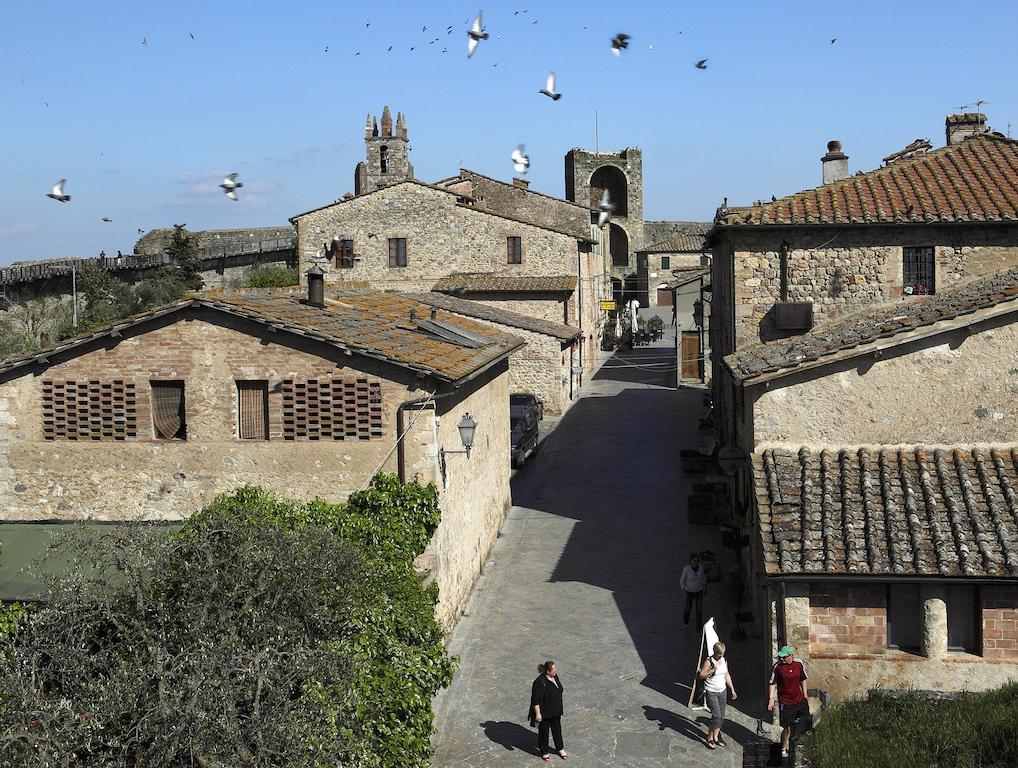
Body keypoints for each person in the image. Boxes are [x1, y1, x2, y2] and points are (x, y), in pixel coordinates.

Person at [768, 645, 809, 759]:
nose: (782, 659)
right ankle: (783, 747)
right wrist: (771, 699)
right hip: (786, 702)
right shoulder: (777, 667)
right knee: (786, 727)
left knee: (803, 722)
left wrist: (805, 696)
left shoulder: (798, 664)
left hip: (799, 700)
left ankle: (798, 744)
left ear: (791, 656)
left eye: (784, 657)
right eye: (781, 657)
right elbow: (772, 683)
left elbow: (803, 679)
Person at [698, 641, 737, 749]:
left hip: (722, 691)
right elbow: (701, 675)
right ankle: (709, 737)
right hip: (711, 691)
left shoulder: (723, 660)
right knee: (716, 716)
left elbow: (726, 674)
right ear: (715, 652)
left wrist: (732, 689)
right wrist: (713, 669)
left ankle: (716, 737)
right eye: (720, 653)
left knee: (722, 717)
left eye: (723, 653)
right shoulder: (709, 661)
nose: (721, 655)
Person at [530, 660, 567, 761]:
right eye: (554, 669)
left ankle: (560, 748)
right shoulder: (539, 682)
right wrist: (538, 714)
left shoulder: (554, 676)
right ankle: (544, 751)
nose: (556, 671)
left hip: (555, 711)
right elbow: (535, 700)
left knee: (557, 731)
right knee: (544, 733)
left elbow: (559, 692)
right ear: (548, 671)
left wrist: (560, 710)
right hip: (544, 713)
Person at [680, 553, 707, 628]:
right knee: (688, 607)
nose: (696, 562)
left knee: (699, 609)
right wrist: (683, 588)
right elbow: (682, 579)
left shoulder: (701, 568)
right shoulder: (686, 569)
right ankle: (686, 621)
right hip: (689, 592)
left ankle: (698, 626)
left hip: (699, 591)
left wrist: (705, 586)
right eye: (694, 560)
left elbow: (703, 578)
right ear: (691, 561)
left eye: (697, 561)